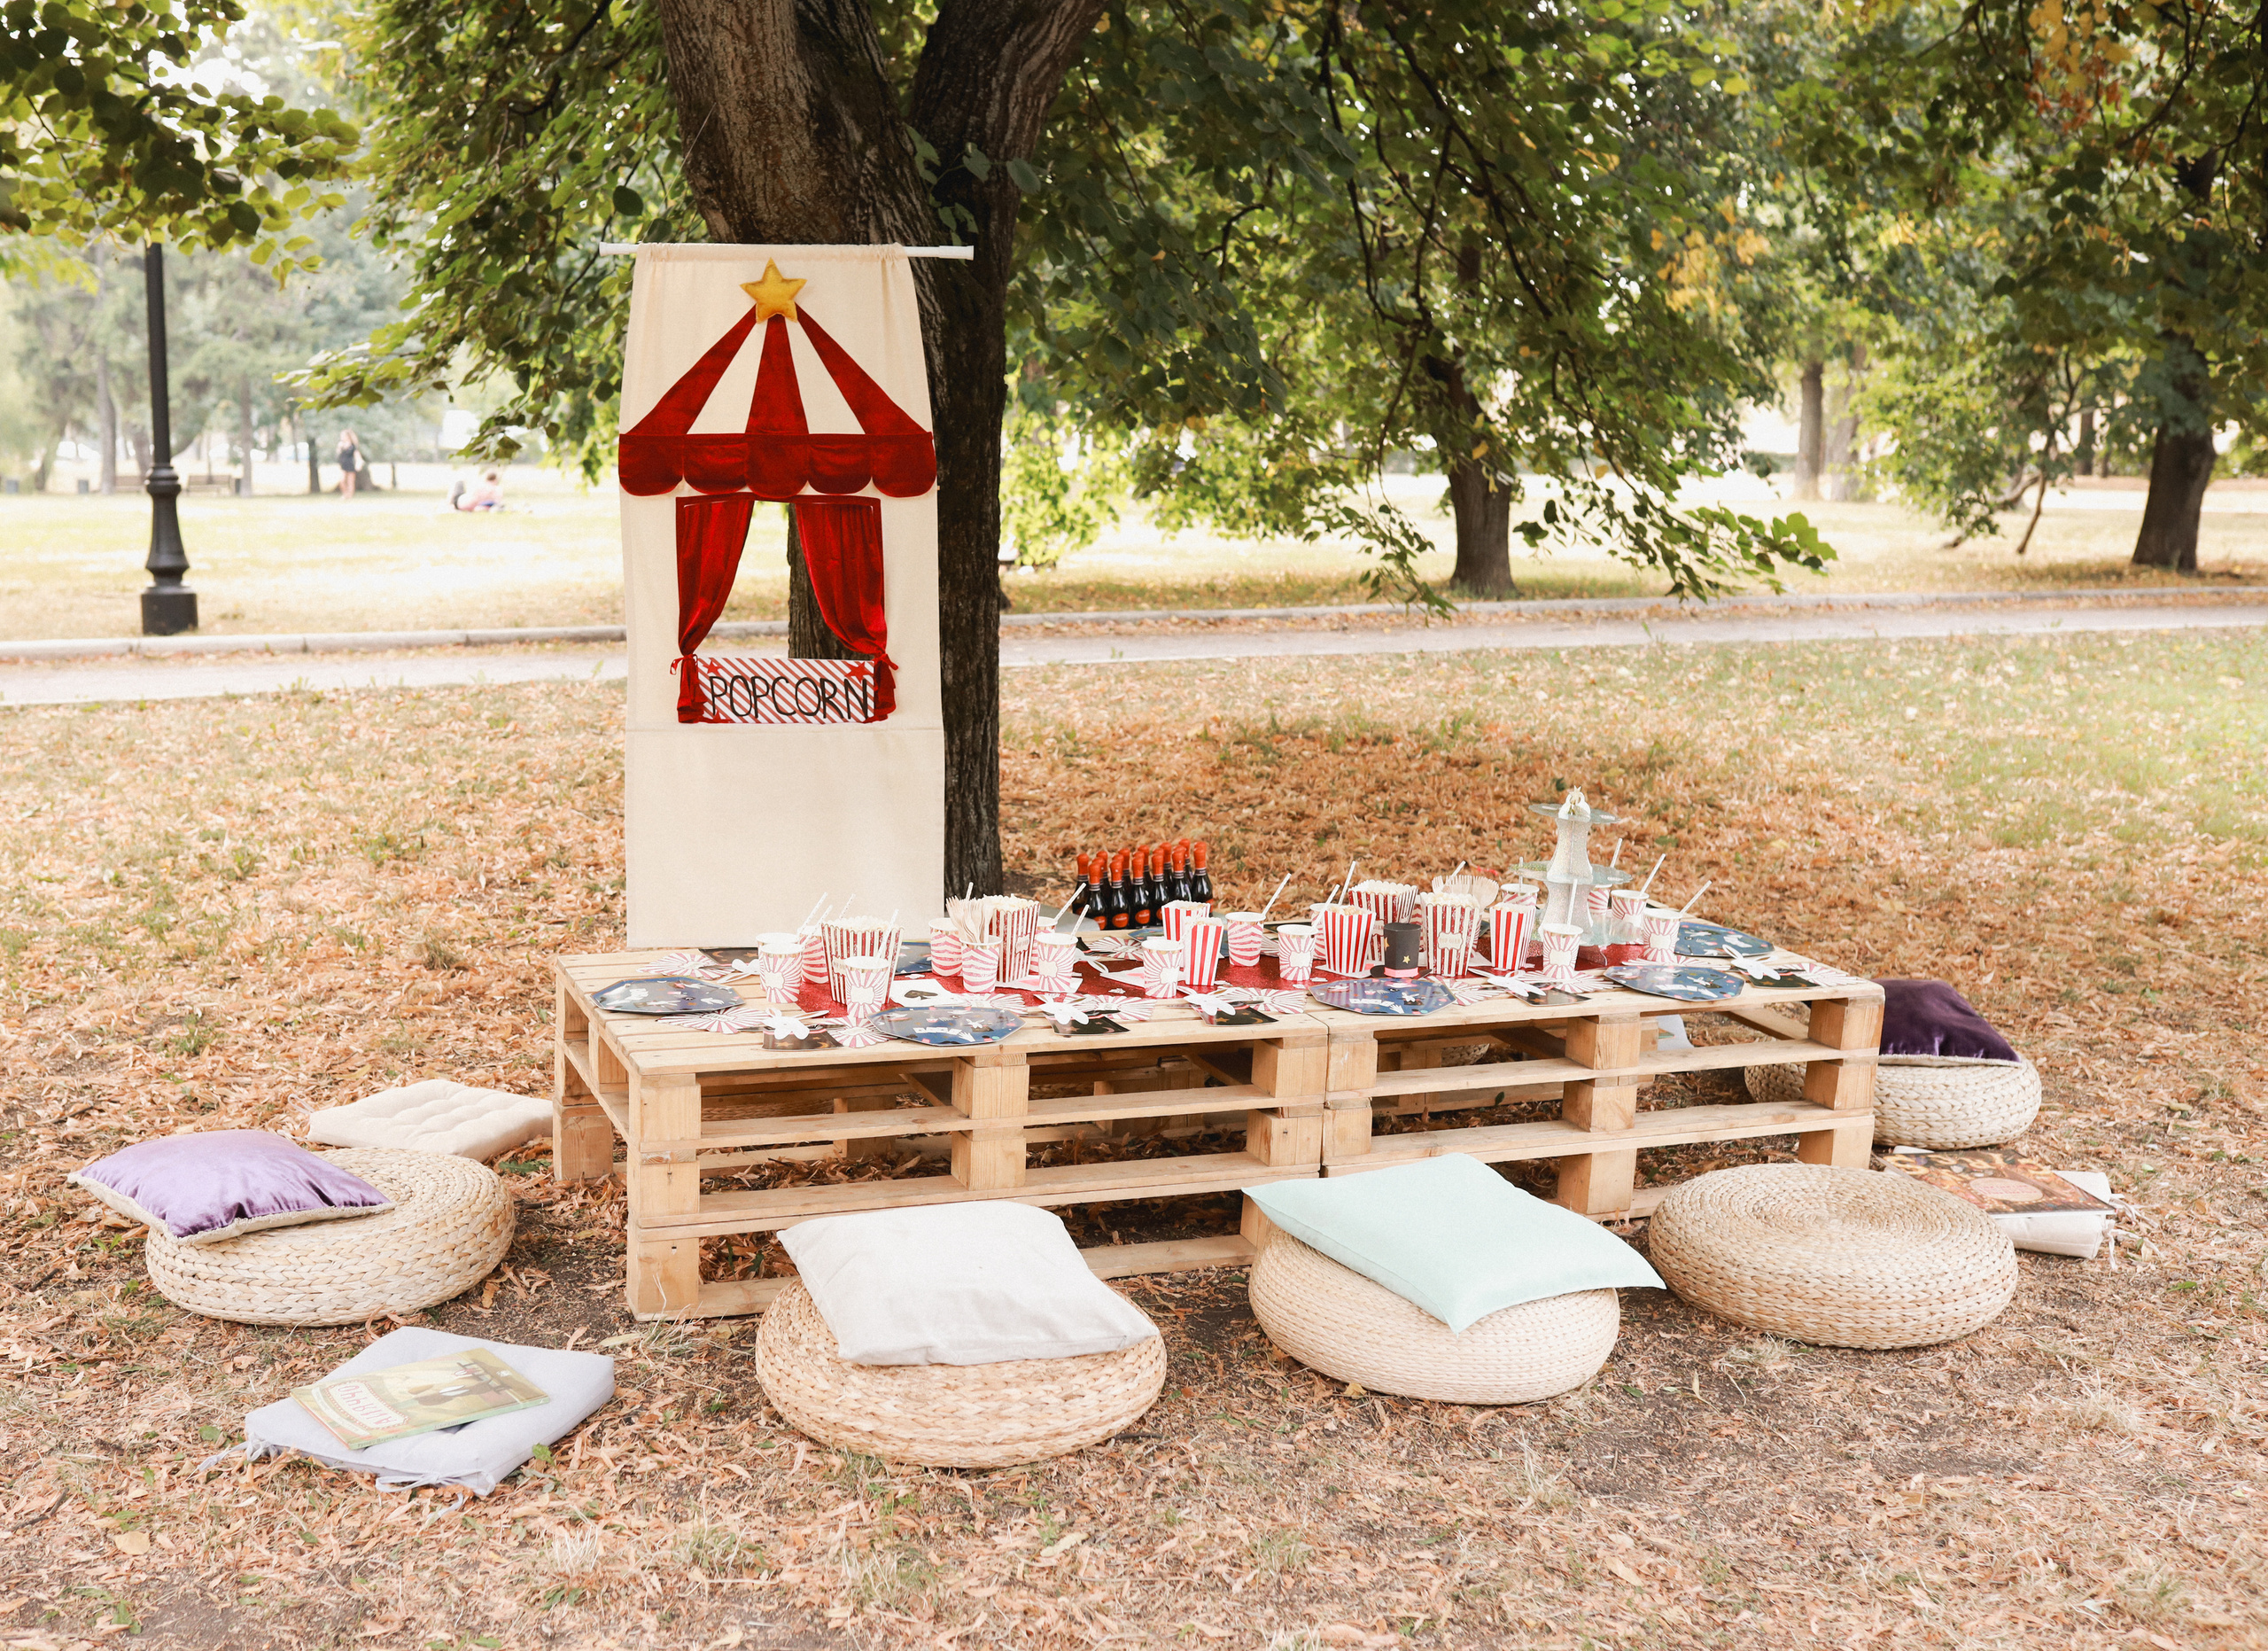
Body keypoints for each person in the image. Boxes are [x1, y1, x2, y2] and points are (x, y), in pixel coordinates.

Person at [335, 428, 364, 500]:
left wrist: (359, 463)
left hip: (350, 464)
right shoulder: (341, 445)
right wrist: (340, 447)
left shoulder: (353, 446)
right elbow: (338, 455)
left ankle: (350, 496)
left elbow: (357, 455)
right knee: (342, 481)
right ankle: (345, 494)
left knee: (350, 482)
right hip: (343, 465)